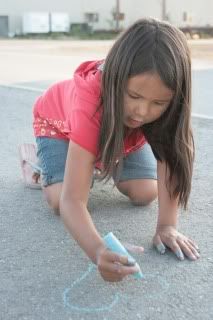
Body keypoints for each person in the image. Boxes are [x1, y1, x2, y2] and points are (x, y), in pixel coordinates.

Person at [20, 18, 200, 282]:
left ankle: (91, 159)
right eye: (135, 96)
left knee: (145, 193)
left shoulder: (149, 111)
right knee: (59, 199)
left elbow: (170, 158)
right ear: (116, 79)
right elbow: (73, 202)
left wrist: (167, 226)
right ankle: (46, 161)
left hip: (118, 132)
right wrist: (98, 250)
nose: (142, 111)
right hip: (60, 126)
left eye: (158, 103)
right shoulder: (91, 101)